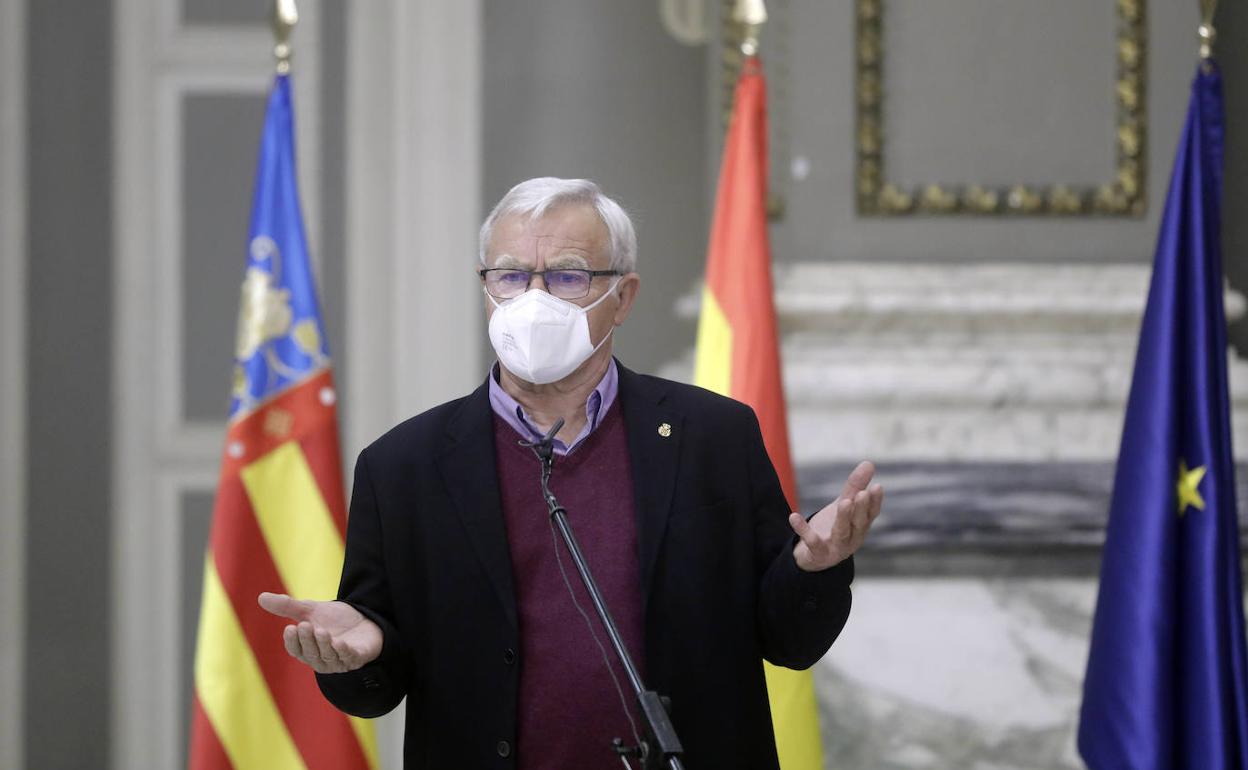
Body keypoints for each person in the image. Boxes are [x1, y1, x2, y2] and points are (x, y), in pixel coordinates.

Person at [258, 177, 883, 769]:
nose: (533, 299)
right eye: (510, 276)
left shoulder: (713, 437)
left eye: (567, 276)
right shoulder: (404, 466)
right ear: (486, 290)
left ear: (623, 298)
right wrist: (353, 657)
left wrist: (814, 569)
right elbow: (379, 684)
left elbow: (789, 643)